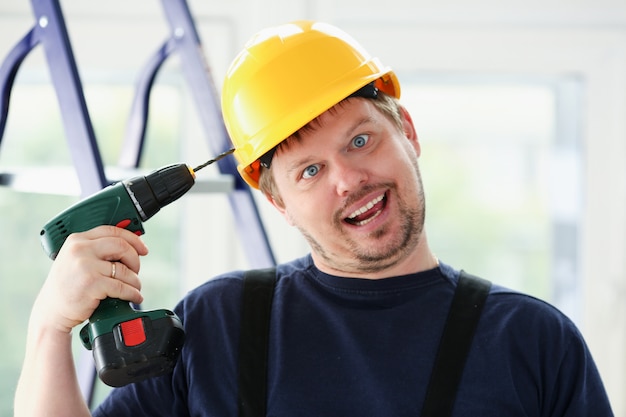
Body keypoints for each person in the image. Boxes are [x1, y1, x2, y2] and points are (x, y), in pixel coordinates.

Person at [14, 20, 613, 417]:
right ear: (276, 201)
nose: (349, 180)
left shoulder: (534, 343)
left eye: (360, 141)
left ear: (406, 132)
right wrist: (47, 332)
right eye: (309, 171)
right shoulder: (216, 326)